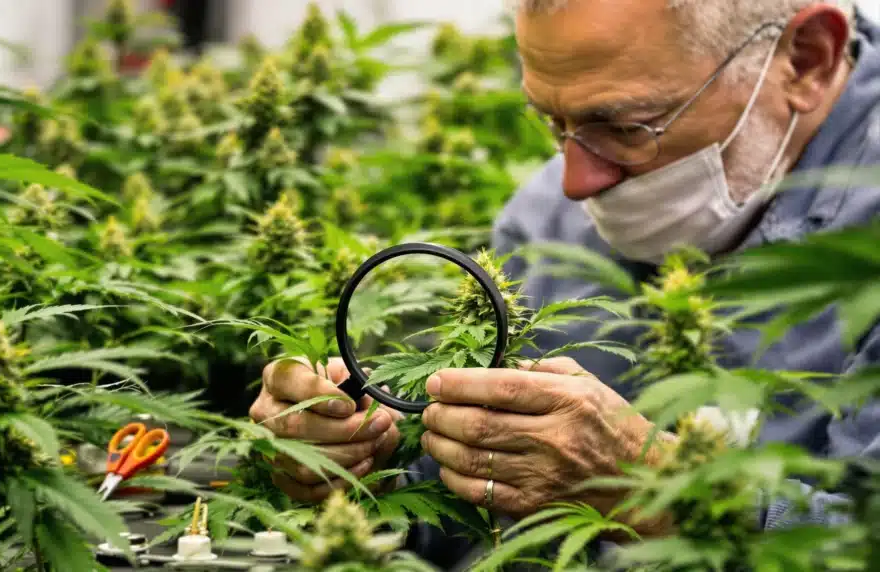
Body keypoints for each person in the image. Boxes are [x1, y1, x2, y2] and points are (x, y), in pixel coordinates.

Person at [248, 0, 880, 568]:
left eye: (627, 126)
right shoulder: (544, 221)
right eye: (554, 124)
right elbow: (473, 532)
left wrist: (661, 492)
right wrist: (367, 475)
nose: (574, 183)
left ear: (805, 59)